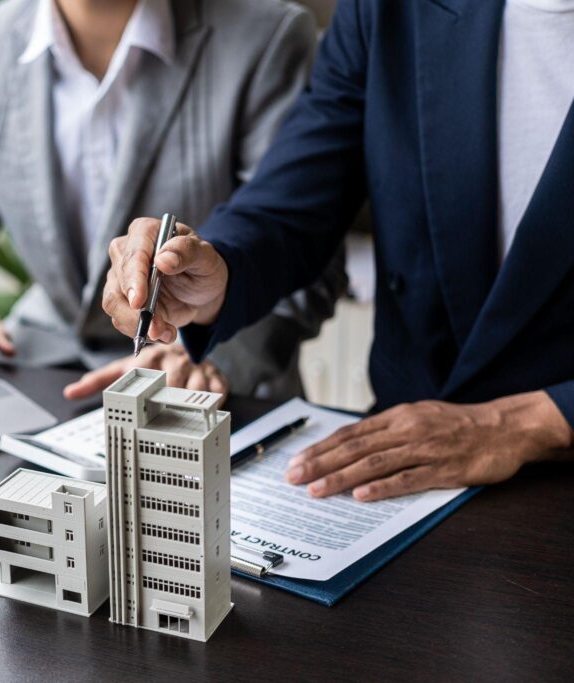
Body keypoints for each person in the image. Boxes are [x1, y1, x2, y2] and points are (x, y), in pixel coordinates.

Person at [102, 0, 574, 501]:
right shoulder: (391, 9)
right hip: (400, 465)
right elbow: (294, 201)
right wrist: (213, 270)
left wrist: (527, 422)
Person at [0, 0, 347, 402]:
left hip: (202, 389)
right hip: (42, 373)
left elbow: (305, 254)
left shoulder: (265, 35)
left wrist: (198, 352)